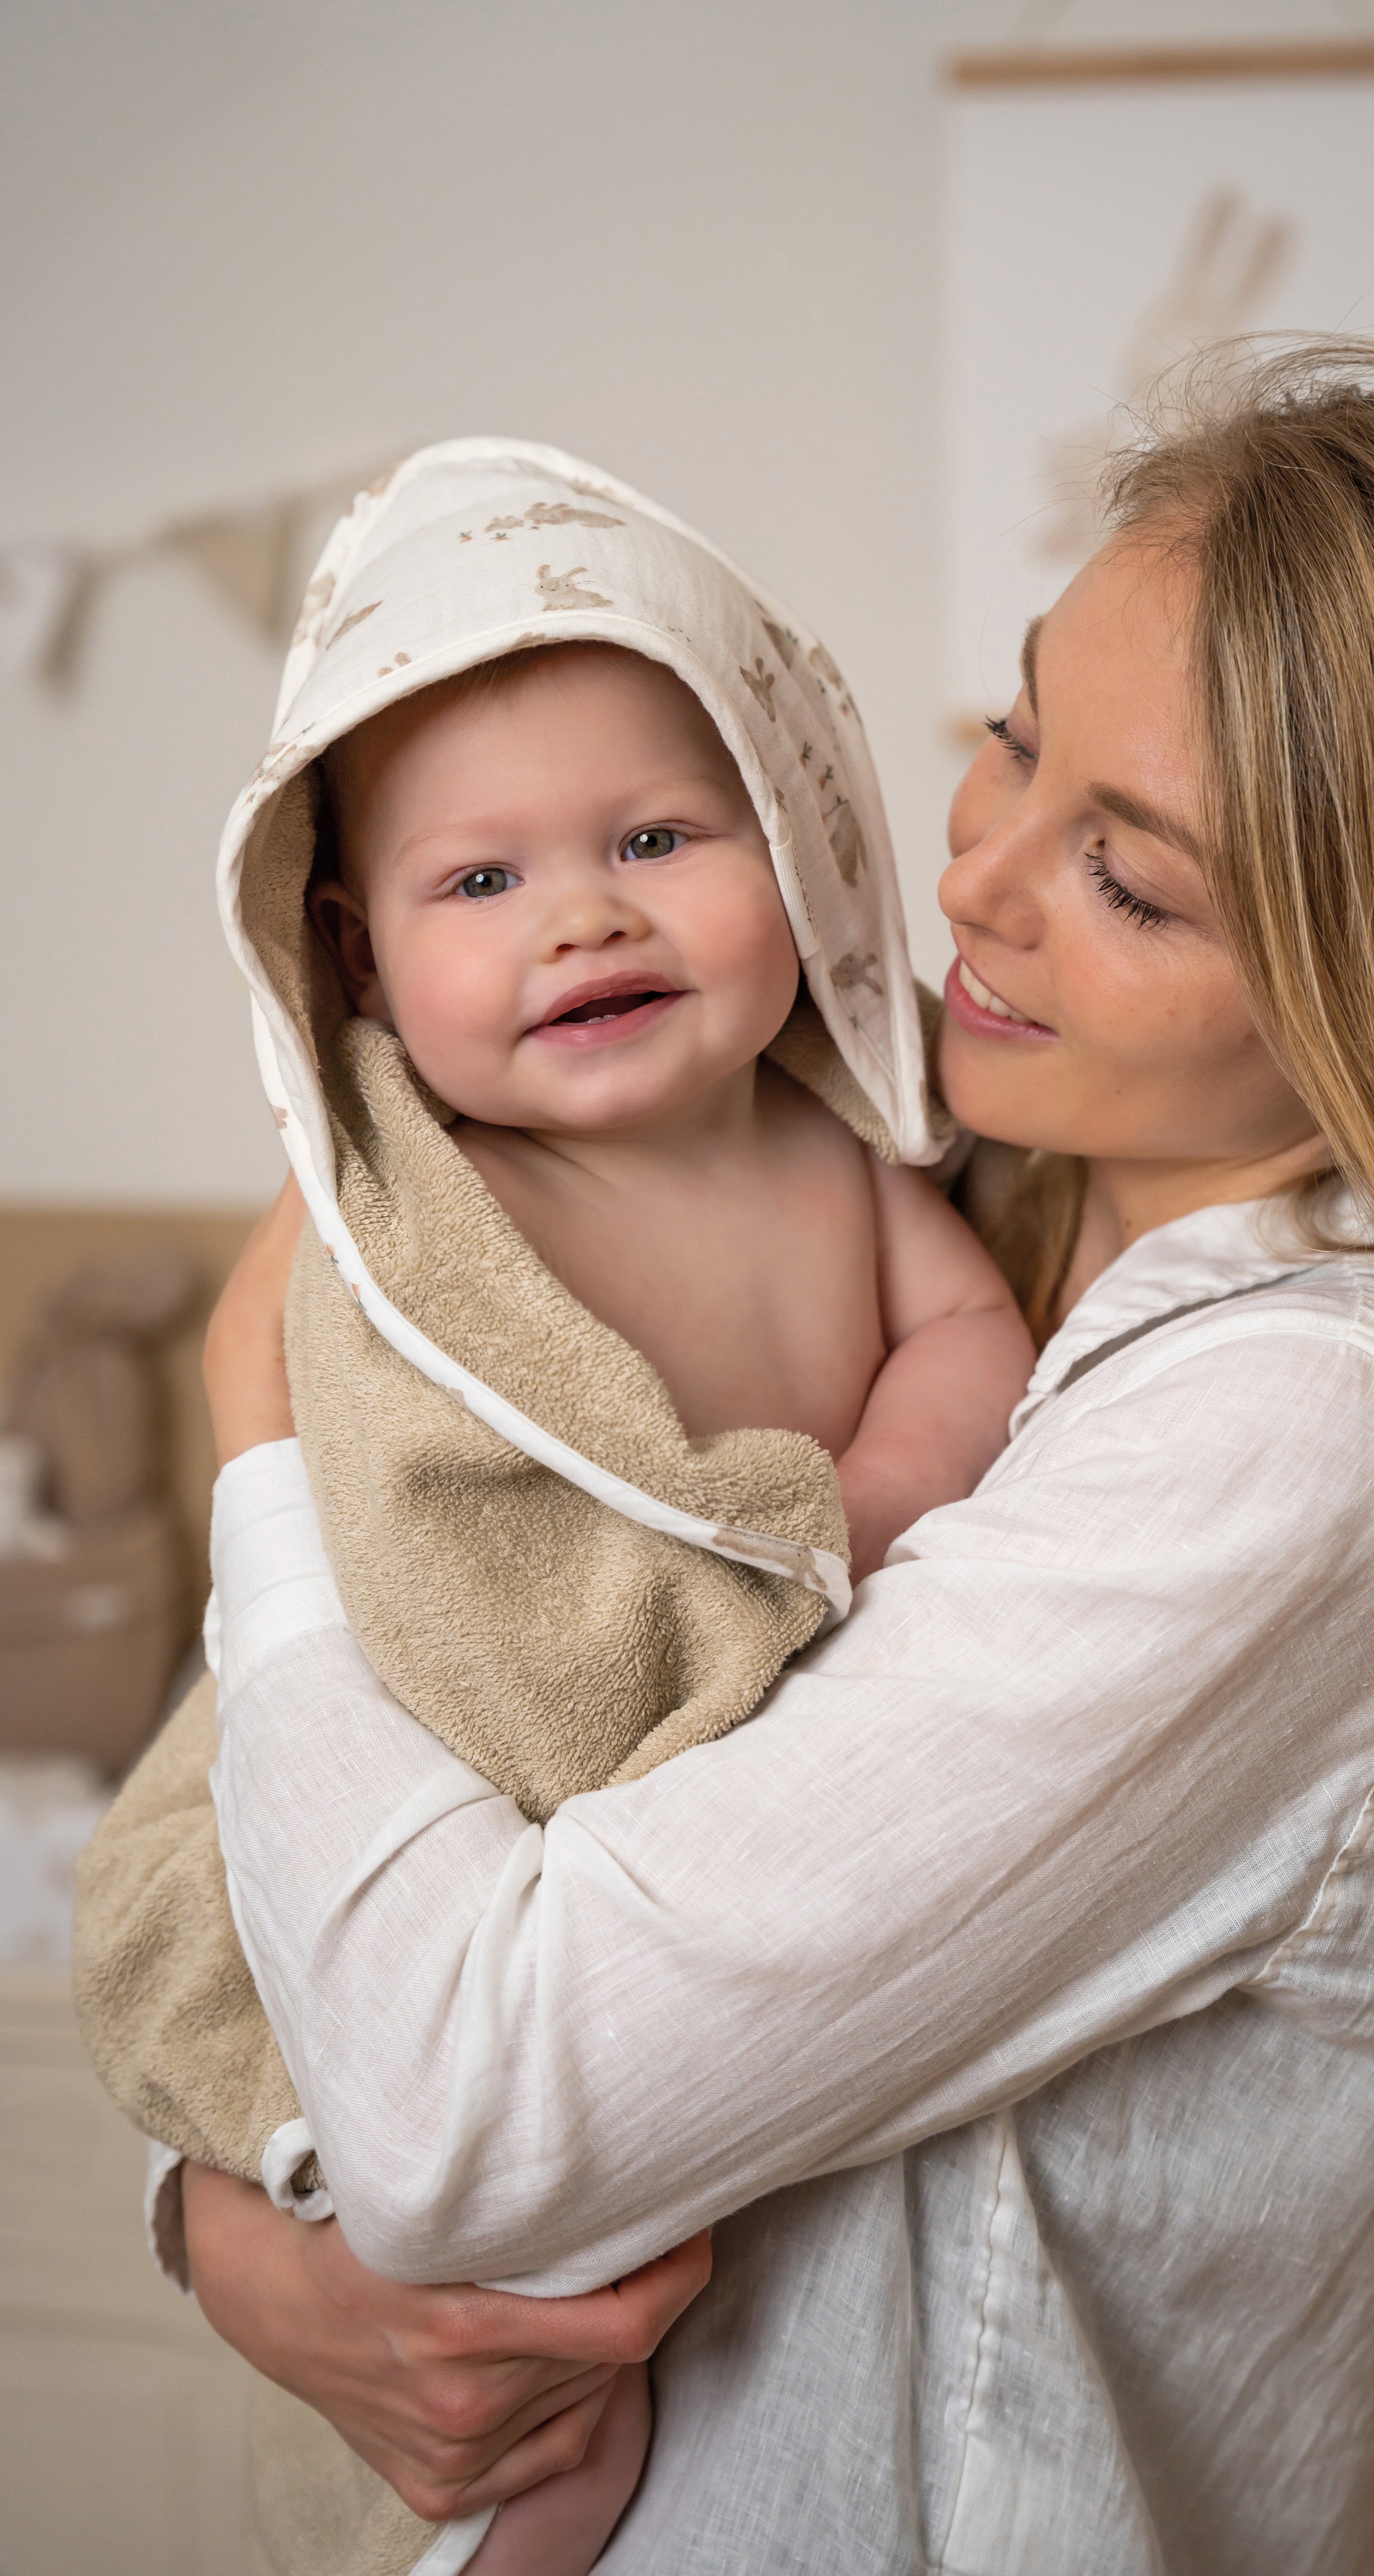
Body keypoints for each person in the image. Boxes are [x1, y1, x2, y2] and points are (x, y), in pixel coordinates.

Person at [173, 349, 1374, 2573]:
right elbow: (409, 1816)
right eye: (1013, 734)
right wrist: (235, 2209)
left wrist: (265, 1459)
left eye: (1138, 882)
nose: (976, 873)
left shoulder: (1307, 1440)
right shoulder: (945, 1190)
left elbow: (469, 2105)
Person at [73, 437, 1031, 2576]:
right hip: (476, 1761)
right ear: (348, 959)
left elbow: (970, 1341)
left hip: (705, 1864)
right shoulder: (428, 1219)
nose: (583, 912)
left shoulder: (851, 1157)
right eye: (479, 883)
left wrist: (855, 1499)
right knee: (554, 2432)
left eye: (656, 839)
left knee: (639, 2300)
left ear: (789, 848)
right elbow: (419, 1535)